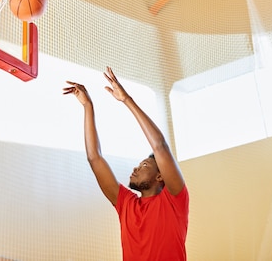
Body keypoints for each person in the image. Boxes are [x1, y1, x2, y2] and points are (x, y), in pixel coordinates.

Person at [63, 67, 189, 261]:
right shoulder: (126, 204)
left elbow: (160, 145)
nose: (135, 168)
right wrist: (88, 106)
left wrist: (126, 100)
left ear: (160, 176)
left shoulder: (174, 201)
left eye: (145, 166)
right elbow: (94, 158)